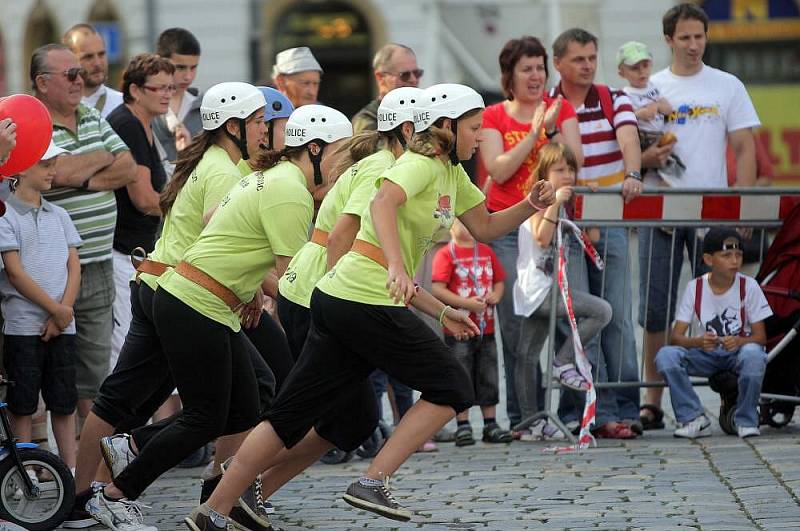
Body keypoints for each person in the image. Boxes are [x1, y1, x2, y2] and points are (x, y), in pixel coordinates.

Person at [185, 83, 555, 528]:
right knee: (453, 385)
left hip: (349, 298)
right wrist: (399, 266)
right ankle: (373, 481)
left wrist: (529, 205)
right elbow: (381, 205)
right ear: (444, 126)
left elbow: (487, 226)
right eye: (474, 128)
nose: (479, 137)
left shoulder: (452, 174)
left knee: (302, 415)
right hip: (359, 296)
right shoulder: (420, 163)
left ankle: (215, 511)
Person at [86, 102, 345, 531]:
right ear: (314, 150)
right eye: (340, 156)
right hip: (193, 302)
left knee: (245, 409)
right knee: (204, 416)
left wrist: (242, 286)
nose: (343, 170)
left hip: (205, 300)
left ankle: (130, 445)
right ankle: (114, 495)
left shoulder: (269, 177)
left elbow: (215, 220)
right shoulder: (291, 191)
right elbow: (292, 280)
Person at [68, 83, 287, 531]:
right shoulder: (223, 172)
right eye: (259, 122)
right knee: (130, 402)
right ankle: (84, 498)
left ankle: (203, 484)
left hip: (169, 285)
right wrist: (255, 289)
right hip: (180, 290)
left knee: (237, 395)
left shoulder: (219, 161)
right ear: (233, 127)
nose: (265, 130)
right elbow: (217, 240)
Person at [639, 3, 761, 430]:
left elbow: (745, 148)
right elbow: (629, 151)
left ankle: (731, 394)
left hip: (715, 216)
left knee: (724, 307)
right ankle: (651, 401)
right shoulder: (649, 87)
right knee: (656, 310)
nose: (693, 45)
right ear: (669, 40)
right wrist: (645, 157)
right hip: (663, 211)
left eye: (700, 37)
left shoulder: (727, 84)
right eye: (685, 37)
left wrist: (740, 207)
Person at [479, 35, 582, 430]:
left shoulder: (561, 110)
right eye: (527, 68)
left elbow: (576, 161)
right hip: (506, 227)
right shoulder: (494, 116)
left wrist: (551, 132)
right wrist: (532, 132)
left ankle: (564, 411)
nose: (536, 75)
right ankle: (525, 415)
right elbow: (499, 169)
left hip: (550, 226)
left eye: (540, 67)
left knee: (557, 315)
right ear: (510, 75)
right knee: (515, 322)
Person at [32, 43, 137, 425]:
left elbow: (127, 167)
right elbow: (54, 174)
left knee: (95, 373)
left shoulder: (91, 115)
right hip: (50, 271)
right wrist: (96, 161)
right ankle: (50, 459)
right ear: (43, 83)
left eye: (81, 73)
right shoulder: (34, 123)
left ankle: (90, 462)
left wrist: (81, 175)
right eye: (71, 75)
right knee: (48, 371)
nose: (81, 80)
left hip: (98, 261)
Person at [549, 28, 642, 439]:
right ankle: (589, 408)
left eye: (591, 57)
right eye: (578, 59)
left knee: (619, 316)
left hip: (611, 220)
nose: (587, 65)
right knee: (579, 318)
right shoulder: (550, 105)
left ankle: (627, 407)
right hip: (567, 224)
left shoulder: (612, 97)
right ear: (559, 64)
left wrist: (634, 171)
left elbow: (628, 137)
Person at [512, 142, 612, 439]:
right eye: (559, 170)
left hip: (549, 290)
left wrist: (588, 204)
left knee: (527, 355)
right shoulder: (536, 201)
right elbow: (542, 238)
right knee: (601, 310)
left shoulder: (565, 202)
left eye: (571, 170)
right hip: (537, 290)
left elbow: (591, 236)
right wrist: (555, 202)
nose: (567, 175)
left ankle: (532, 422)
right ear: (544, 174)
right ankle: (563, 361)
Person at [0, 140, 81, 471]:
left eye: (53, 163)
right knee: (23, 404)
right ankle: (25, 470)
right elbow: (15, 273)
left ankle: (71, 471)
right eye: (45, 164)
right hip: (23, 326)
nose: (53, 170)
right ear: (20, 169)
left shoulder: (59, 215)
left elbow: (74, 265)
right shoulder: (6, 217)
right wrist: (56, 309)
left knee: (64, 402)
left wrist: (63, 312)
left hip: (63, 324)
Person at [655, 227, 771, 439]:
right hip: (707, 354)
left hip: (738, 354)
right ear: (708, 259)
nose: (735, 261)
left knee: (754, 354)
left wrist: (739, 341)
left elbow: (760, 337)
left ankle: (746, 418)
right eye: (727, 255)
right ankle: (693, 417)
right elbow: (676, 337)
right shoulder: (695, 288)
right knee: (666, 356)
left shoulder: (750, 286)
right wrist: (698, 341)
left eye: (738, 255)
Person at [106, 53, 173, 373]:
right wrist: (185, 212)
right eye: (158, 88)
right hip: (121, 251)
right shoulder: (127, 124)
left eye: (170, 88)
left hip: (138, 250)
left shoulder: (147, 124)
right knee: (126, 347)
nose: (166, 94)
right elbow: (144, 199)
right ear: (135, 90)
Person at [431, 219, 512, 447]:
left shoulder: (485, 251)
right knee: (461, 374)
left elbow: (499, 281)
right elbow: (438, 288)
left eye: (470, 223)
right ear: (451, 226)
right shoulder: (446, 254)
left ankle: (490, 423)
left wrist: (496, 295)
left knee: (489, 374)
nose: (467, 228)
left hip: (486, 327)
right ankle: (463, 424)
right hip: (459, 331)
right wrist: (465, 303)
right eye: (462, 223)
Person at [616, 40, 683, 184]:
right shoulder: (624, 94)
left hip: (658, 136)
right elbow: (622, 120)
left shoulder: (653, 87)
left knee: (675, 169)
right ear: (622, 73)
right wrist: (640, 113)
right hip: (642, 138)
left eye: (645, 65)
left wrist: (657, 105)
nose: (642, 71)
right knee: (644, 172)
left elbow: (669, 109)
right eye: (634, 68)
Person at [152, 28, 204, 163]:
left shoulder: (203, 109)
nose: (188, 77)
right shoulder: (142, 107)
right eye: (180, 67)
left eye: (193, 68)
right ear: (159, 61)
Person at [351, 43, 422, 133]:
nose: (413, 79)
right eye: (404, 75)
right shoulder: (367, 118)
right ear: (380, 77)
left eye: (417, 73)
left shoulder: (425, 112)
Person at [63, 24, 124, 118]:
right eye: (88, 57)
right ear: (69, 60)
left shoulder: (122, 104)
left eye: (101, 54)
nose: (97, 63)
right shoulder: (58, 107)